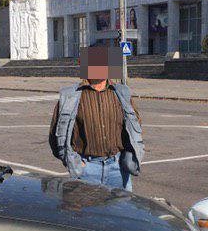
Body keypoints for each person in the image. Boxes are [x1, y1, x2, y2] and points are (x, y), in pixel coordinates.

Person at [48, 46, 143, 190]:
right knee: (87, 206)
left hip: (118, 169)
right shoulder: (70, 96)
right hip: (87, 170)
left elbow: (136, 125)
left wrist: (129, 155)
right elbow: (55, 136)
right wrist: (75, 162)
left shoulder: (122, 93)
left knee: (122, 205)